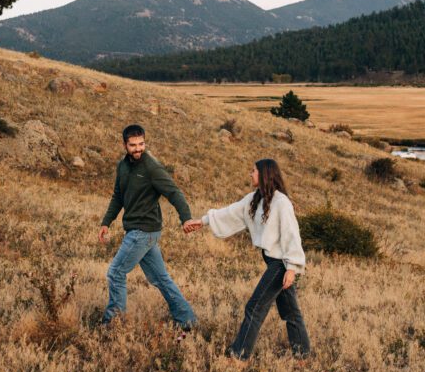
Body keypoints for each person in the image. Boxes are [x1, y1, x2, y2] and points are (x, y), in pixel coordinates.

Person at [185, 158, 310, 359]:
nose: (250, 174)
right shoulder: (255, 198)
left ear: (264, 174)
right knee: (291, 312)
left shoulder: (281, 202)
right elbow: (230, 212)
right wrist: (202, 221)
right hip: (273, 261)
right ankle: (303, 355)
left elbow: (291, 234)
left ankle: (239, 356)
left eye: (253, 171)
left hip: (280, 264)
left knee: (255, 307)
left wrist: (292, 268)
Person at [99, 124, 200, 328]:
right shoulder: (123, 166)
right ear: (125, 145)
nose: (138, 149)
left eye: (141, 144)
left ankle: (113, 323)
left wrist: (186, 218)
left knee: (115, 273)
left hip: (143, 231)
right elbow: (118, 196)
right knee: (161, 279)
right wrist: (106, 222)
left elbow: (174, 192)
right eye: (133, 145)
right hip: (140, 231)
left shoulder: (151, 167)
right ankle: (187, 320)